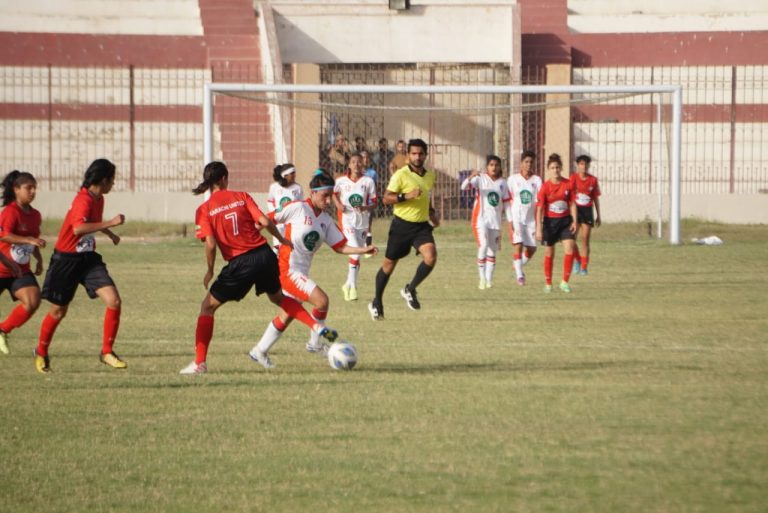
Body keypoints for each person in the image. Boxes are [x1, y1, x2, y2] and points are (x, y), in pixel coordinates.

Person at [179, 161, 338, 375]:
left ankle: (199, 363)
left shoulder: (204, 210)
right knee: (280, 298)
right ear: (225, 179)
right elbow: (264, 220)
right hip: (264, 255)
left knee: (207, 308)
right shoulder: (241, 196)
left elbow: (210, 244)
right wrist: (281, 238)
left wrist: (209, 270)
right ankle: (316, 326)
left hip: (240, 263)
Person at [249, 171, 376, 366]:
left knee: (288, 314)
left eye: (330, 195)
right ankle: (315, 344)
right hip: (287, 270)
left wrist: (363, 248)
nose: (328, 200)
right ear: (313, 192)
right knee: (322, 301)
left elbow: (339, 246)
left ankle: (259, 351)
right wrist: (248, 242)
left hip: (301, 272)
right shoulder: (298, 208)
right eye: (324, 195)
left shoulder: (325, 220)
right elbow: (265, 220)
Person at [35, 159, 126, 373]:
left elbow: (93, 221)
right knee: (58, 311)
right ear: (103, 180)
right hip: (66, 260)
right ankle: (41, 352)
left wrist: (109, 233)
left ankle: (106, 352)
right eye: (112, 180)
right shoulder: (82, 200)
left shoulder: (98, 198)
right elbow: (77, 229)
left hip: (87, 260)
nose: (113, 184)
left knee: (113, 300)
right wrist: (110, 223)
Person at [368, 138, 439, 320]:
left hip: (421, 226)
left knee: (430, 256)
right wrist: (406, 195)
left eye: (420, 153)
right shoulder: (400, 175)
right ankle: (377, 301)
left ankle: (410, 288)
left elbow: (425, 197)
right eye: (413, 153)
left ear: (425, 155)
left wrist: (431, 213)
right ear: (408, 155)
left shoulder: (430, 175)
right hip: (401, 226)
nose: (417, 157)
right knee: (389, 266)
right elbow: (386, 198)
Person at [0, 171, 45, 355]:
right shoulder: (10, 211)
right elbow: (4, 235)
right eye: (28, 188)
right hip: (2, 267)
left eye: (34, 188)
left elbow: (34, 240)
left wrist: (39, 259)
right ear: (16, 189)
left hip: (20, 271)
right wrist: (29, 240)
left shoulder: (35, 215)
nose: (33, 191)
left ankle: (2, 330)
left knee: (33, 300)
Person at [460, 155, 512, 290]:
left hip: (495, 222)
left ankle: (489, 280)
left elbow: (506, 204)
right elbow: (463, 187)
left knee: (492, 251)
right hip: (480, 220)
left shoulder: (503, 183)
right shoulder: (480, 179)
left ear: (500, 167)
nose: (494, 168)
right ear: (487, 167)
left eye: (496, 165)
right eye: (491, 165)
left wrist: (510, 222)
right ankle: (482, 279)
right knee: (483, 245)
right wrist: (471, 177)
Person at [333, 154, 377, 301]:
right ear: (349, 165)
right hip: (347, 221)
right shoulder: (341, 181)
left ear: (362, 164)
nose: (356, 164)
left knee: (356, 255)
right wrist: (338, 204)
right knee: (357, 252)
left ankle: (348, 284)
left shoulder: (368, 181)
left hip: (362, 223)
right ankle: (353, 288)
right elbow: (332, 193)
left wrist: (365, 207)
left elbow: (375, 202)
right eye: (353, 162)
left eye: (359, 162)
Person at [535, 153, 578, 294]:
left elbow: (572, 204)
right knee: (549, 252)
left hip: (565, 221)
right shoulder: (545, 187)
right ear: (548, 169)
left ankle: (564, 282)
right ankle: (548, 283)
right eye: (552, 167)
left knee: (570, 248)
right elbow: (540, 208)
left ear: (561, 168)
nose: (555, 170)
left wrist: (575, 221)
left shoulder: (568, 184)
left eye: (558, 167)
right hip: (550, 223)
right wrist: (539, 229)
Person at [508, 150, 543, 285]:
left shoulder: (537, 180)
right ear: (521, 163)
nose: (528, 165)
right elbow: (508, 199)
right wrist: (510, 219)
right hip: (517, 218)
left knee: (532, 249)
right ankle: (519, 276)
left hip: (530, 219)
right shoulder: (513, 179)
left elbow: (539, 202)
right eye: (526, 162)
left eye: (531, 162)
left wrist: (540, 222)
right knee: (518, 245)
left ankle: (518, 264)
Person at [569, 154, 602, 275]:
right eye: (581, 164)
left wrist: (598, 215)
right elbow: (569, 197)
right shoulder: (573, 178)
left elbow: (595, 199)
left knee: (585, 240)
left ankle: (584, 267)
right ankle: (577, 260)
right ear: (577, 165)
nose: (584, 166)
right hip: (575, 210)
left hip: (587, 211)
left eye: (586, 164)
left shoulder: (593, 180)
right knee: (571, 239)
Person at [267, 163, 304, 250]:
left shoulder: (297, 188)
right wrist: (274, 214)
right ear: (285, 175)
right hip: (278, 221)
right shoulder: (274, 187)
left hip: (291, 222)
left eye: (295, 173)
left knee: (291, 246)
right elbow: (270, 201)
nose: (294, 175)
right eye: (292, 173)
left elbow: (300, 204)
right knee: (277, 247)